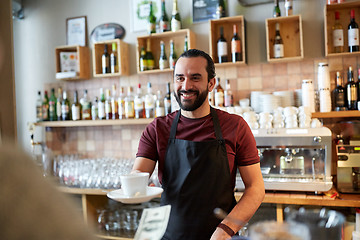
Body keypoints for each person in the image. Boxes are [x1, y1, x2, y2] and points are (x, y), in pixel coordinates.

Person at [133, 49, 265, 240]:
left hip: (220, 236)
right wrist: (131, 182)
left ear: (211, 83)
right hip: (171, 234)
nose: (185, 85)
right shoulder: (157, 129)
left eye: (195, 78)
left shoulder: (235, 126)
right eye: (179, 78)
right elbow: (139, 175)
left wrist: (225, 230)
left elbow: (255, 188)